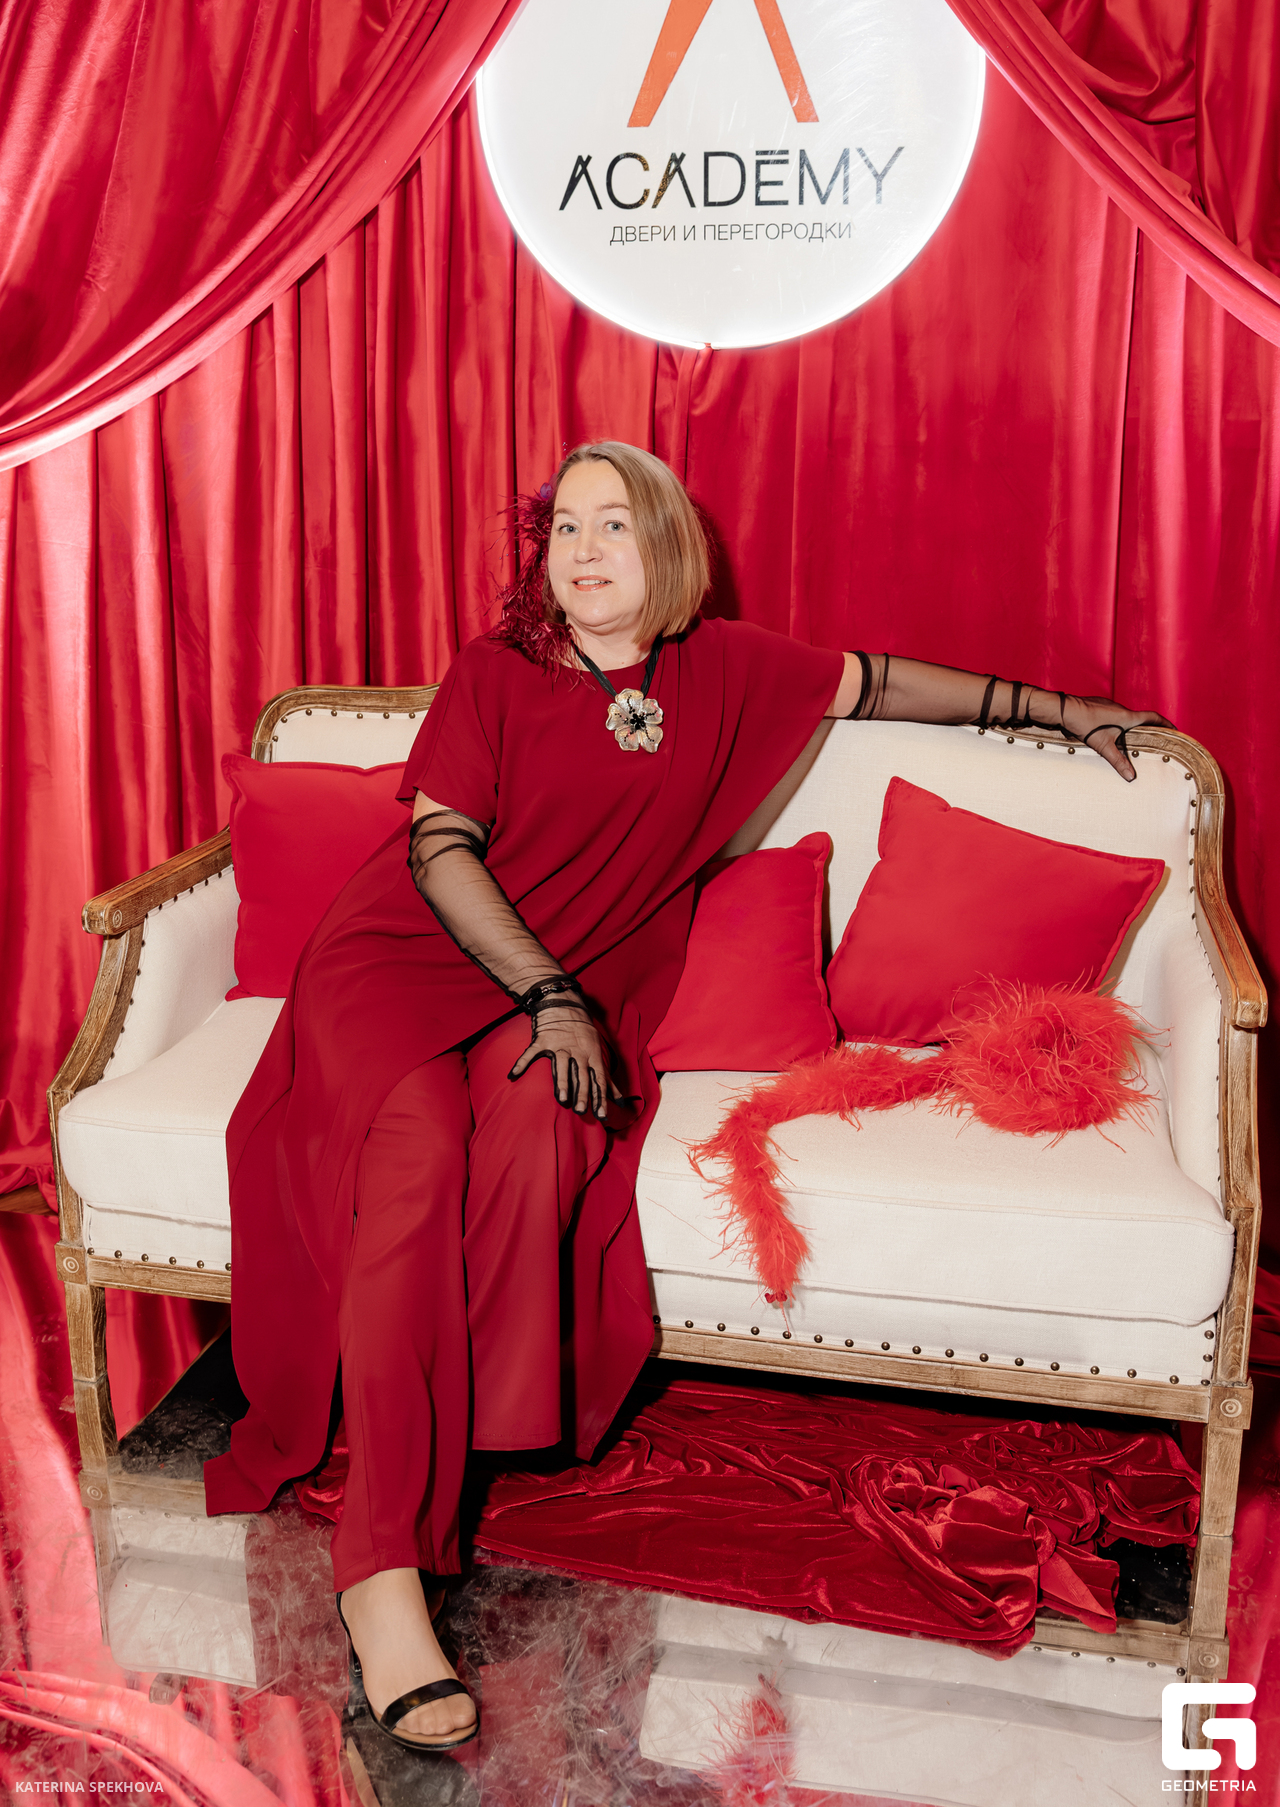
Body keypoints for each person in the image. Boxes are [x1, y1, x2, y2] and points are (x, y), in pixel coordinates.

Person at [205, 441, 1164, 1753]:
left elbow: (883, 680)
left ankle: (459, 1439)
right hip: (408, 964)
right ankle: (380, 1578)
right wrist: (550, 994)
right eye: (564, 529)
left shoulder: (726, 670)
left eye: (615, 524)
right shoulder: (498, 673)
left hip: (571, 984)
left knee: (543, 1136)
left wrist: (1064, 710)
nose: (584, 551)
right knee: (413, 1167)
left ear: (668, 546)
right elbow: (438, 848)